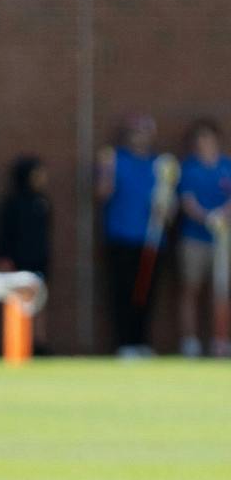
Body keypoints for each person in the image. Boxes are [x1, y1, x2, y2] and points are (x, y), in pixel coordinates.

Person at [97, 113, 168, 358]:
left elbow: (168, 204)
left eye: (145, 133)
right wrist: (106, 172)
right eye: (136, 133)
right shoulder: (114, 159)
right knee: (123, 290)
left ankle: (142, 341)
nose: (140, 138)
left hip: (150, 239)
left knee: (146, 292)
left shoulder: (160, 164)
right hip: (121, 235)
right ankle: (125, 343)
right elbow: (102, 194)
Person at [174, 118, 231, 357]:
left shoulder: (227, 166)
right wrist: (207, 217)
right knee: (191, 288)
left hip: (223, 240)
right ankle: (190, 342)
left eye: (208, 137)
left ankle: (221, 340)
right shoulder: (188, 168)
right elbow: (186, 202)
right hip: (194, 238)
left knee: (222, 291)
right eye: (199, 139)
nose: (204, 142)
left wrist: (223, 215)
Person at [0, 154, 53, 355]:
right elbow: (3, 234)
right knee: (17, 303)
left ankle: (39, 345)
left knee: (39, 303)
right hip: (18, 262)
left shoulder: (43, 203)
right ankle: (18, 346)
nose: (42, 178)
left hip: (39, 260)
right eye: (38, 174)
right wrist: (3, 260)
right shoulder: (13, 204)